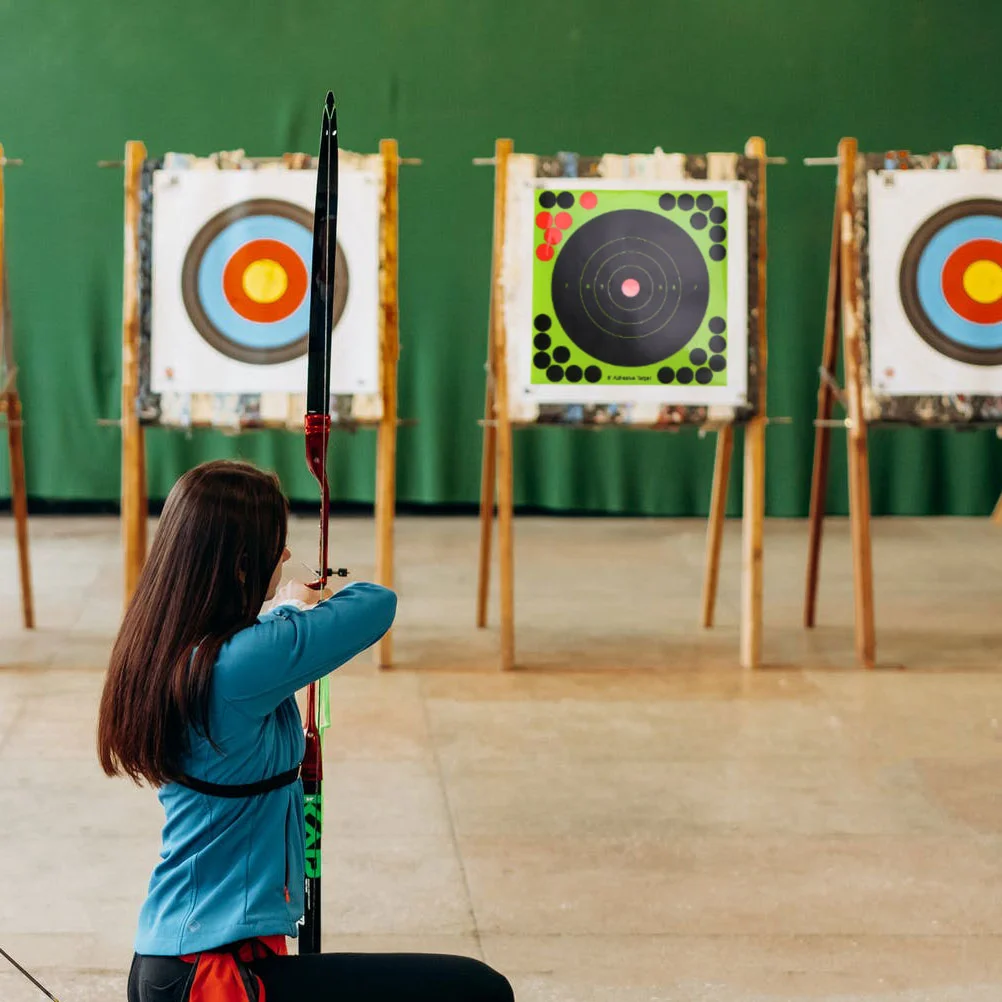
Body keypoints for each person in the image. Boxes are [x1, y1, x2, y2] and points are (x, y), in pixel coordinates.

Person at [98, 460, 514, 1002]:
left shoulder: (177, 648)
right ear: (241, 565)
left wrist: (279, 614)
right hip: (211, 978)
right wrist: (289, 612)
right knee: (476, 991)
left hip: (182, 959)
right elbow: (375, 604)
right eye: (278, 542)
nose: (288, 554)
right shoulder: (238, 665)